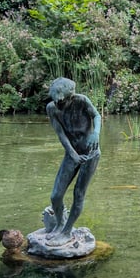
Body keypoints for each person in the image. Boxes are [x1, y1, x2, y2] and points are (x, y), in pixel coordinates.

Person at [45, 77, 102, 247]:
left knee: (78, 194)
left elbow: (96, 115)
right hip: (72, 154)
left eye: (61, 101)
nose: (58, 104)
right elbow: (61, 134)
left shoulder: (81, 100)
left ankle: (67, 231)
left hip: (90, 153)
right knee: (55, 196)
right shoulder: (51, 108)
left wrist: (96, 133)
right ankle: (60, 224)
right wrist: (72, 154)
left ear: (70, 96)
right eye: (55, 101)